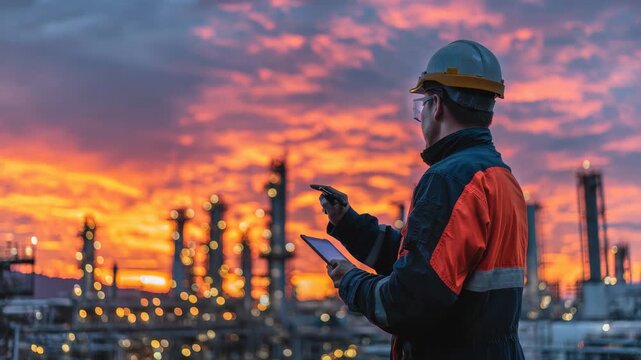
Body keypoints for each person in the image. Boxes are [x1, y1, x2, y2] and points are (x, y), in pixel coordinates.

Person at [321, 40, 527, 359]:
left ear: (437, 104)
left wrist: (350, 281)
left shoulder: (449, 179)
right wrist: (349, 225)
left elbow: (406, 303)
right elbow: (430, 266)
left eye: (422, 107)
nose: (421, 118)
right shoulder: (501, 178)